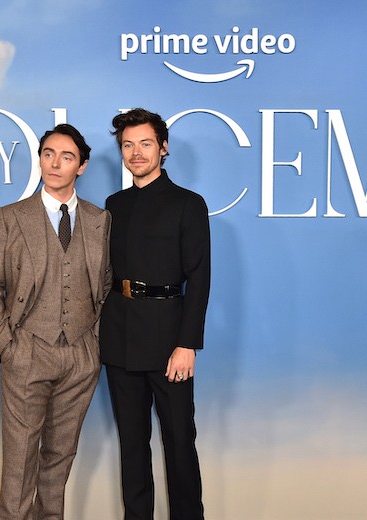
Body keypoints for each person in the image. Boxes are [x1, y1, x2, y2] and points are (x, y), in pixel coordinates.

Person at [0, 123, 111, 520]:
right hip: (27, 352)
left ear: (81, 167)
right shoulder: (11, 217)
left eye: (66, 157)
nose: (54, 163)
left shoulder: (100, 219)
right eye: (48, 154)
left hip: (80, 357)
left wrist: (94, 345)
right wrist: (8, 346)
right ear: (39, 159)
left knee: (59, 462)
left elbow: (104, 285)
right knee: (19, 465)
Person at [100, 108, 211, 520]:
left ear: (163, 148)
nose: (136, 153)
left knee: (179, 443)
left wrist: (187, 344)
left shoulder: (188, 204)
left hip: (169, 344)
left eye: (145, 144)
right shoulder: (114, 205)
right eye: (128, 145)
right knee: (132, 447)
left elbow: (199, 279)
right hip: (120, 339)